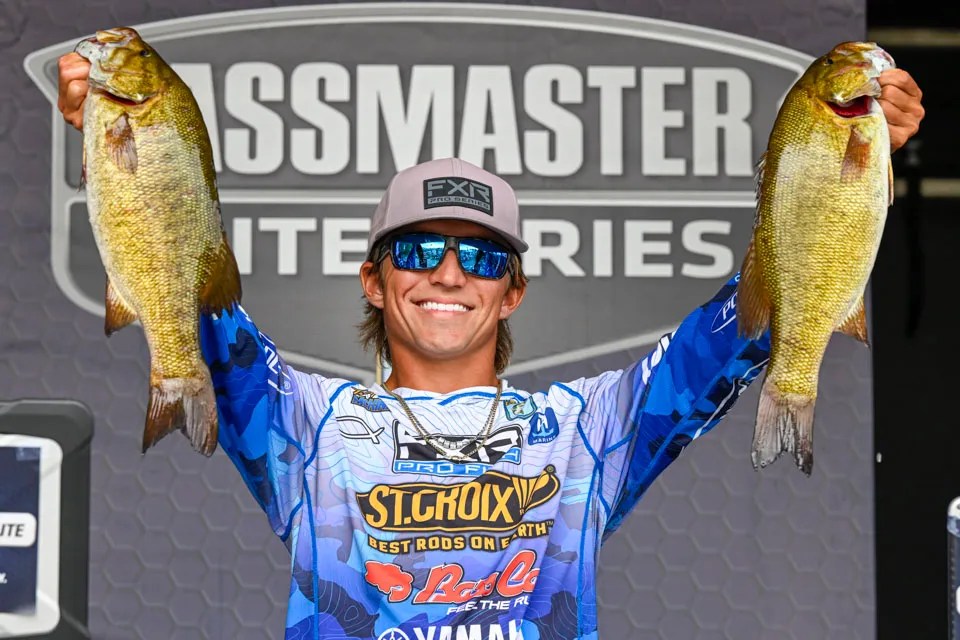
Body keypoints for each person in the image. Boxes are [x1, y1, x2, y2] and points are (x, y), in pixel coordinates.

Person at [57, 48, 924, 640]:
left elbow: (741, 329)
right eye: (416, 250)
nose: (447, 273)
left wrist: (849, 172)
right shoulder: (308, 425)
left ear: (512, 291)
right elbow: (188, 303)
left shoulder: (584, 429)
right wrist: (121, 147)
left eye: (479, 256)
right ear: (373, 280)